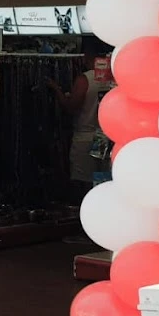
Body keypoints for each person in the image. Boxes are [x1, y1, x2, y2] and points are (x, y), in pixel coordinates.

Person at [49, 38, 105, 202]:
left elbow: (71, 107)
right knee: (101, 178)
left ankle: (83, 211)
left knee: (83, 181)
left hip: (85, 137)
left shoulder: (85, 79)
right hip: (104, 136)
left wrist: (57, 91)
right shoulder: (110, 78)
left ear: (87, 55)